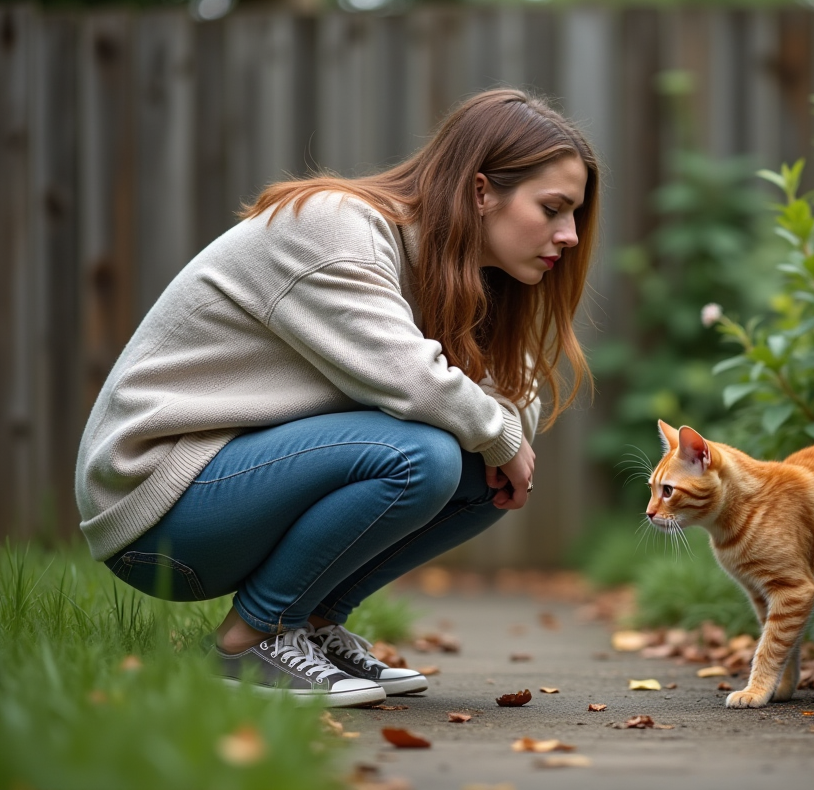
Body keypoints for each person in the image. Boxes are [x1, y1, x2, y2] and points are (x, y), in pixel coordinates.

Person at [75, 88, 599, 708]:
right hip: (158, 503)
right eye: (553, 209)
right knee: (422, 455)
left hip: (237, 490)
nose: (567, 236)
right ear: (481, 191)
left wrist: (499, 432)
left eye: (574, 216)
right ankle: (248, 643)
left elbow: (517, 401)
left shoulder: (463, 277)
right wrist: (499, 432)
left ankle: (312, 627)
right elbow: (412, 380)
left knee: (484, 477)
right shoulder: (334, 225)